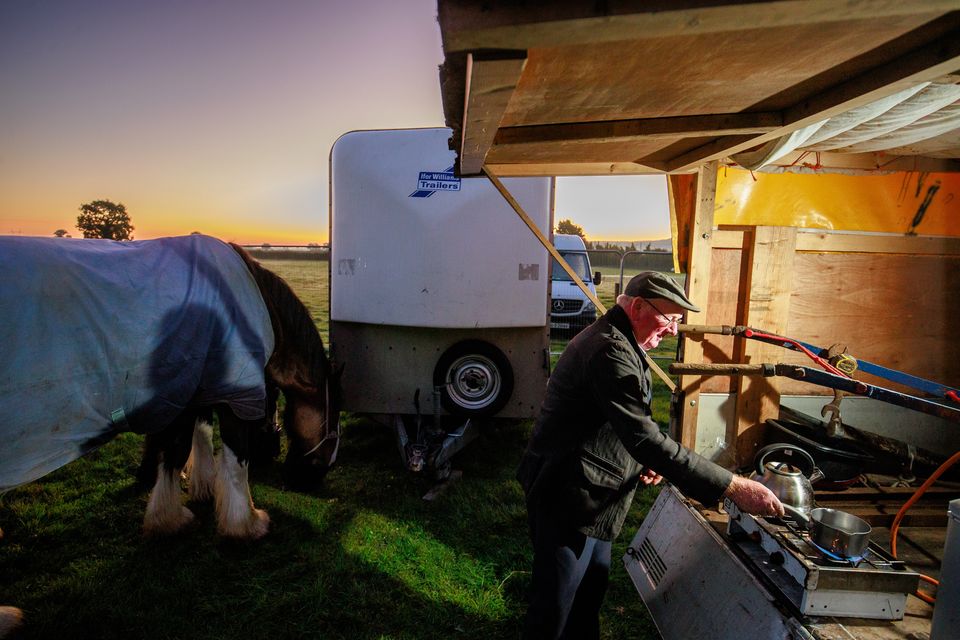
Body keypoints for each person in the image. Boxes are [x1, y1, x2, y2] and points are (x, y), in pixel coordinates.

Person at [517, 271, 784, 640]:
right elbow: (643, 437)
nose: (674, 330)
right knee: (553, 611)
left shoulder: (623, 341)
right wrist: (732, 485)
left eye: (677, 320)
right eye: (670, 318)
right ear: (638, 306)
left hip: (590, 496)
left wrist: (642, 460)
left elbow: (623, 423)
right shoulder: (609, 350)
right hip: (567, 498)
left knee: (586, 598)